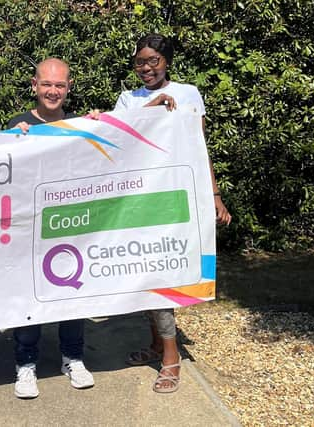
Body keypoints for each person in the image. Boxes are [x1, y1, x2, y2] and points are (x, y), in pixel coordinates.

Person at [112, 34, 232, 393]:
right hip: (137, 199)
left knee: (163, 274)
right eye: (140, 62)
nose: (146, 68)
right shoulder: (127, 99)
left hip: (173, 198)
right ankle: (155, 345)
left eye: (154, 61)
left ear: (167, 61)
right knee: (145, 274)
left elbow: (199, 147)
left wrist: (214, 194)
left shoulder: (189, 93)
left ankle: (171, 357)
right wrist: (150, 111)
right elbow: (116, 139)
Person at [7, 58, 94, 399]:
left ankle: (72, 357)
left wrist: (103, 125)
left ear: (68, 88)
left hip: (71, 225)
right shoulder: (17, 126)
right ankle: (25, 364)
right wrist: (5, 140)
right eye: (47, 84)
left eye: (60, 85)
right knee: (30, 295)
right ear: (34, 85)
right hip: (30, 229)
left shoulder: (81, 127)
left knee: (72, 292)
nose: (53, 91)